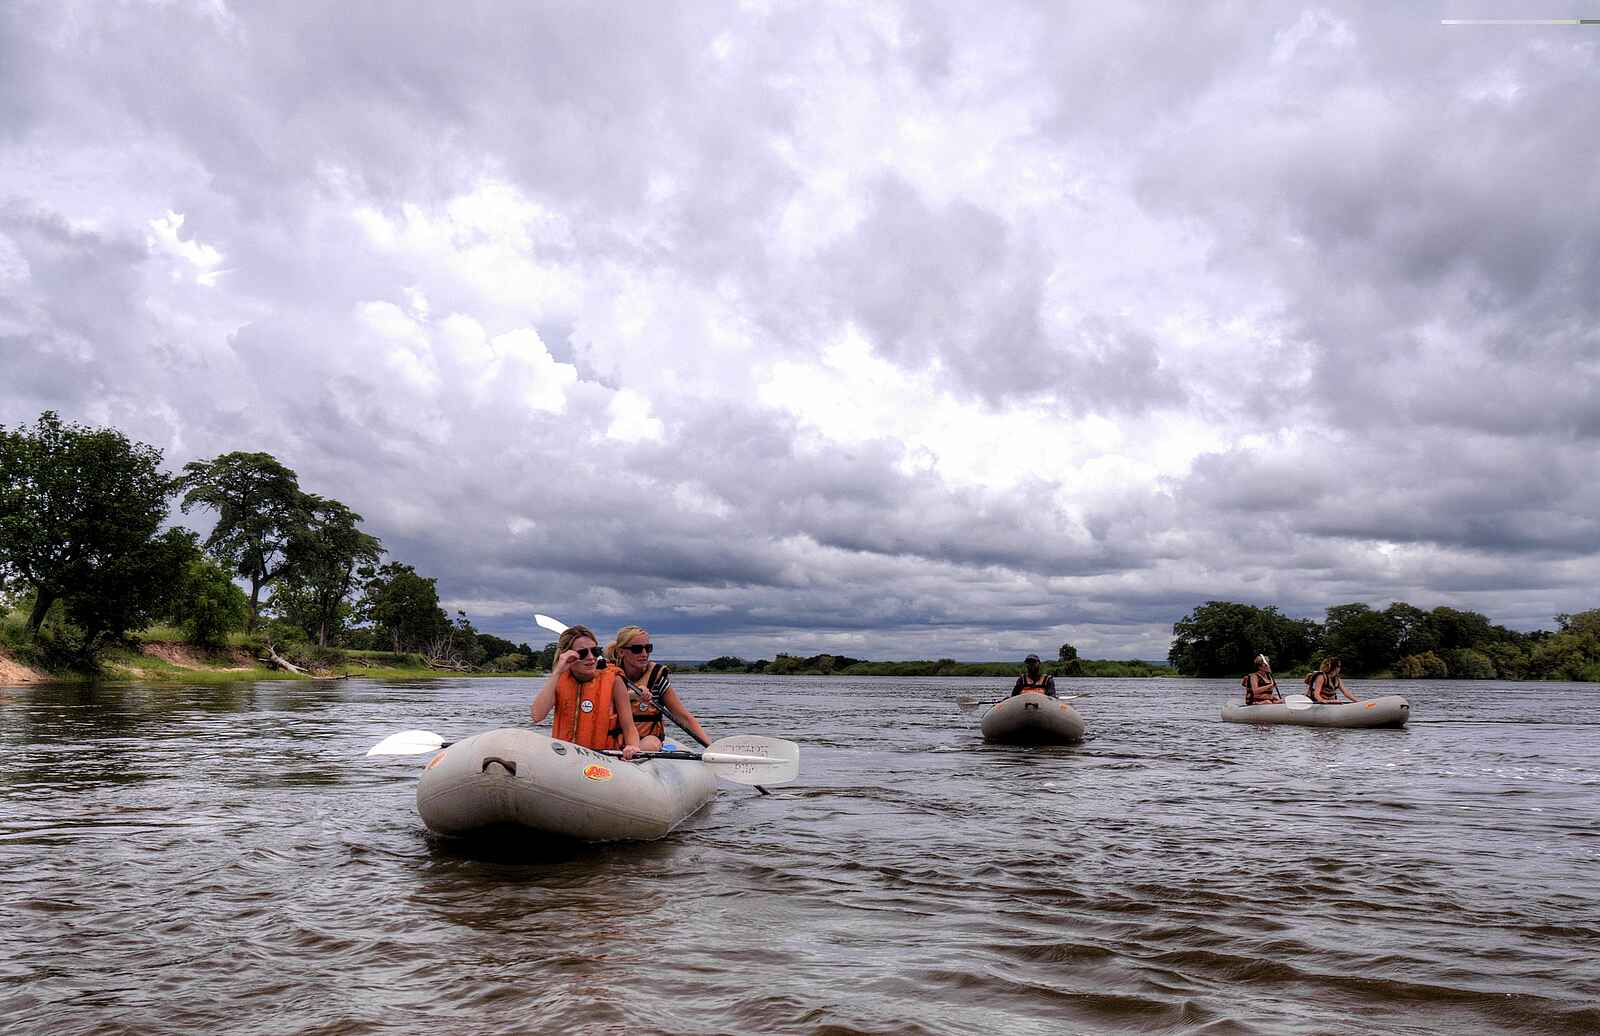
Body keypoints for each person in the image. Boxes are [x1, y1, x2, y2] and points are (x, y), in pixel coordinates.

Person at [530, 624, 641, 758]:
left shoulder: (614, 680)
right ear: (568, 655)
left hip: (604, 759)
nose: (590, 657)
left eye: (594, 651)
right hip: (566, 758)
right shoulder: (559, 679)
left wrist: (633, 747)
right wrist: (557, 672)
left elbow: (629, 727)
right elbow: (537, 716)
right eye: (582, 653)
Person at [605, 625, 712, 752]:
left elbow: (683, 717)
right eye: (637, 649)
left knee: (650, 744)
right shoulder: (608, 676)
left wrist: (711, 748)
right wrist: (630, 695)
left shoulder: (657, 680)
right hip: (615, 739)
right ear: (621, 652)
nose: (644, 654)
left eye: (648, 648)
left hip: (647, 738)